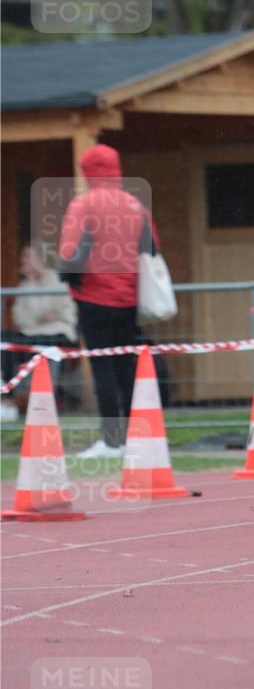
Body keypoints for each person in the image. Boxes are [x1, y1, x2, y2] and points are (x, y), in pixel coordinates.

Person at [58, 144, 158, 458]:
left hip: (93, 299)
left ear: (88, 171)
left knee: (102, 368)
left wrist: (68, 275)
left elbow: (69, 257)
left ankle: (111, 440)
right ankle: (131, 436)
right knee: (126, 368)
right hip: (128, 300)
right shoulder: (135, 205)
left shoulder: (83, 204)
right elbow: (152, 250)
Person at [1, 243, 78, 418]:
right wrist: (33, 285)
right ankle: (7, 399)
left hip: (59, 332)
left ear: (40, 259)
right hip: (31, 333)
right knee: (5, 342)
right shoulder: (24, 285)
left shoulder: (56, 280)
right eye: (23, 257)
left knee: (28, 344)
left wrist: (41, 315)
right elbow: (21, 319)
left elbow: (61, 310)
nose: (24, 261)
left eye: (28, 256)